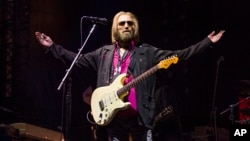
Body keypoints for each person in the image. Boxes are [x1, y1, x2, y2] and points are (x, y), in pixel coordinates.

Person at [35, 11, 225, 141]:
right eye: (122, 23)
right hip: (113, 117)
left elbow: (181, 55)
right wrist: (53, 47)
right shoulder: (104, 53)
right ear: (115, 29)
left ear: (135, 28)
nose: (126, 26)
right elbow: (77, 60)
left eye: (130, 23)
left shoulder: (148, 53)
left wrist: (207, 42)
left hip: (140, 119)